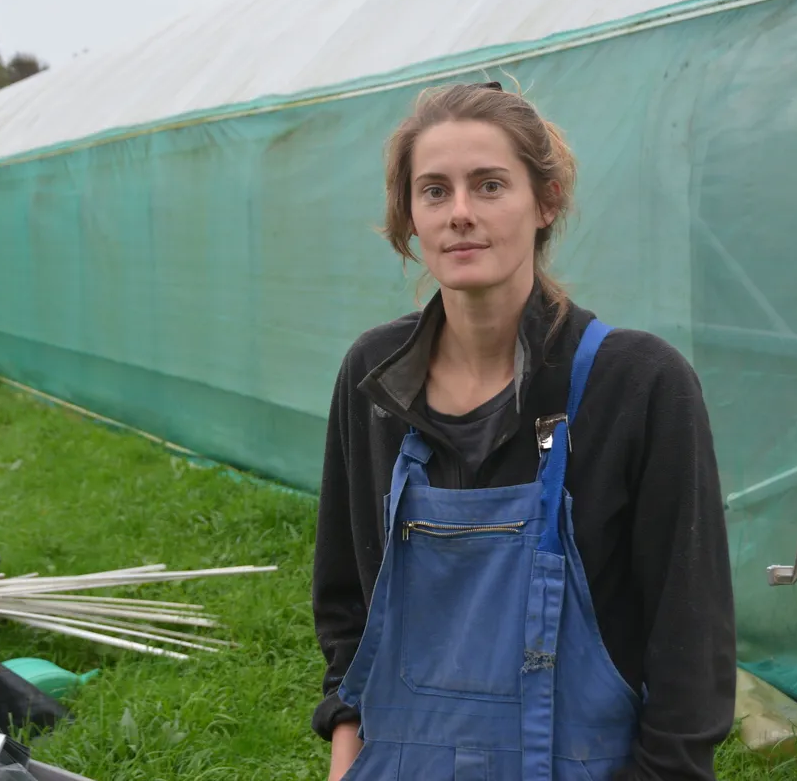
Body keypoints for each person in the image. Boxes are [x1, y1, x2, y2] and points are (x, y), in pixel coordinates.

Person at [310, 81, 736, 781]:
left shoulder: (638, 384)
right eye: (435, 191)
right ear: (409, 216)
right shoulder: (375, 379)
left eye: (489, 185)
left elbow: (693, 635)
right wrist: (347, 738)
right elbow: (344, 595)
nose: (461, 214)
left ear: (547, 201)